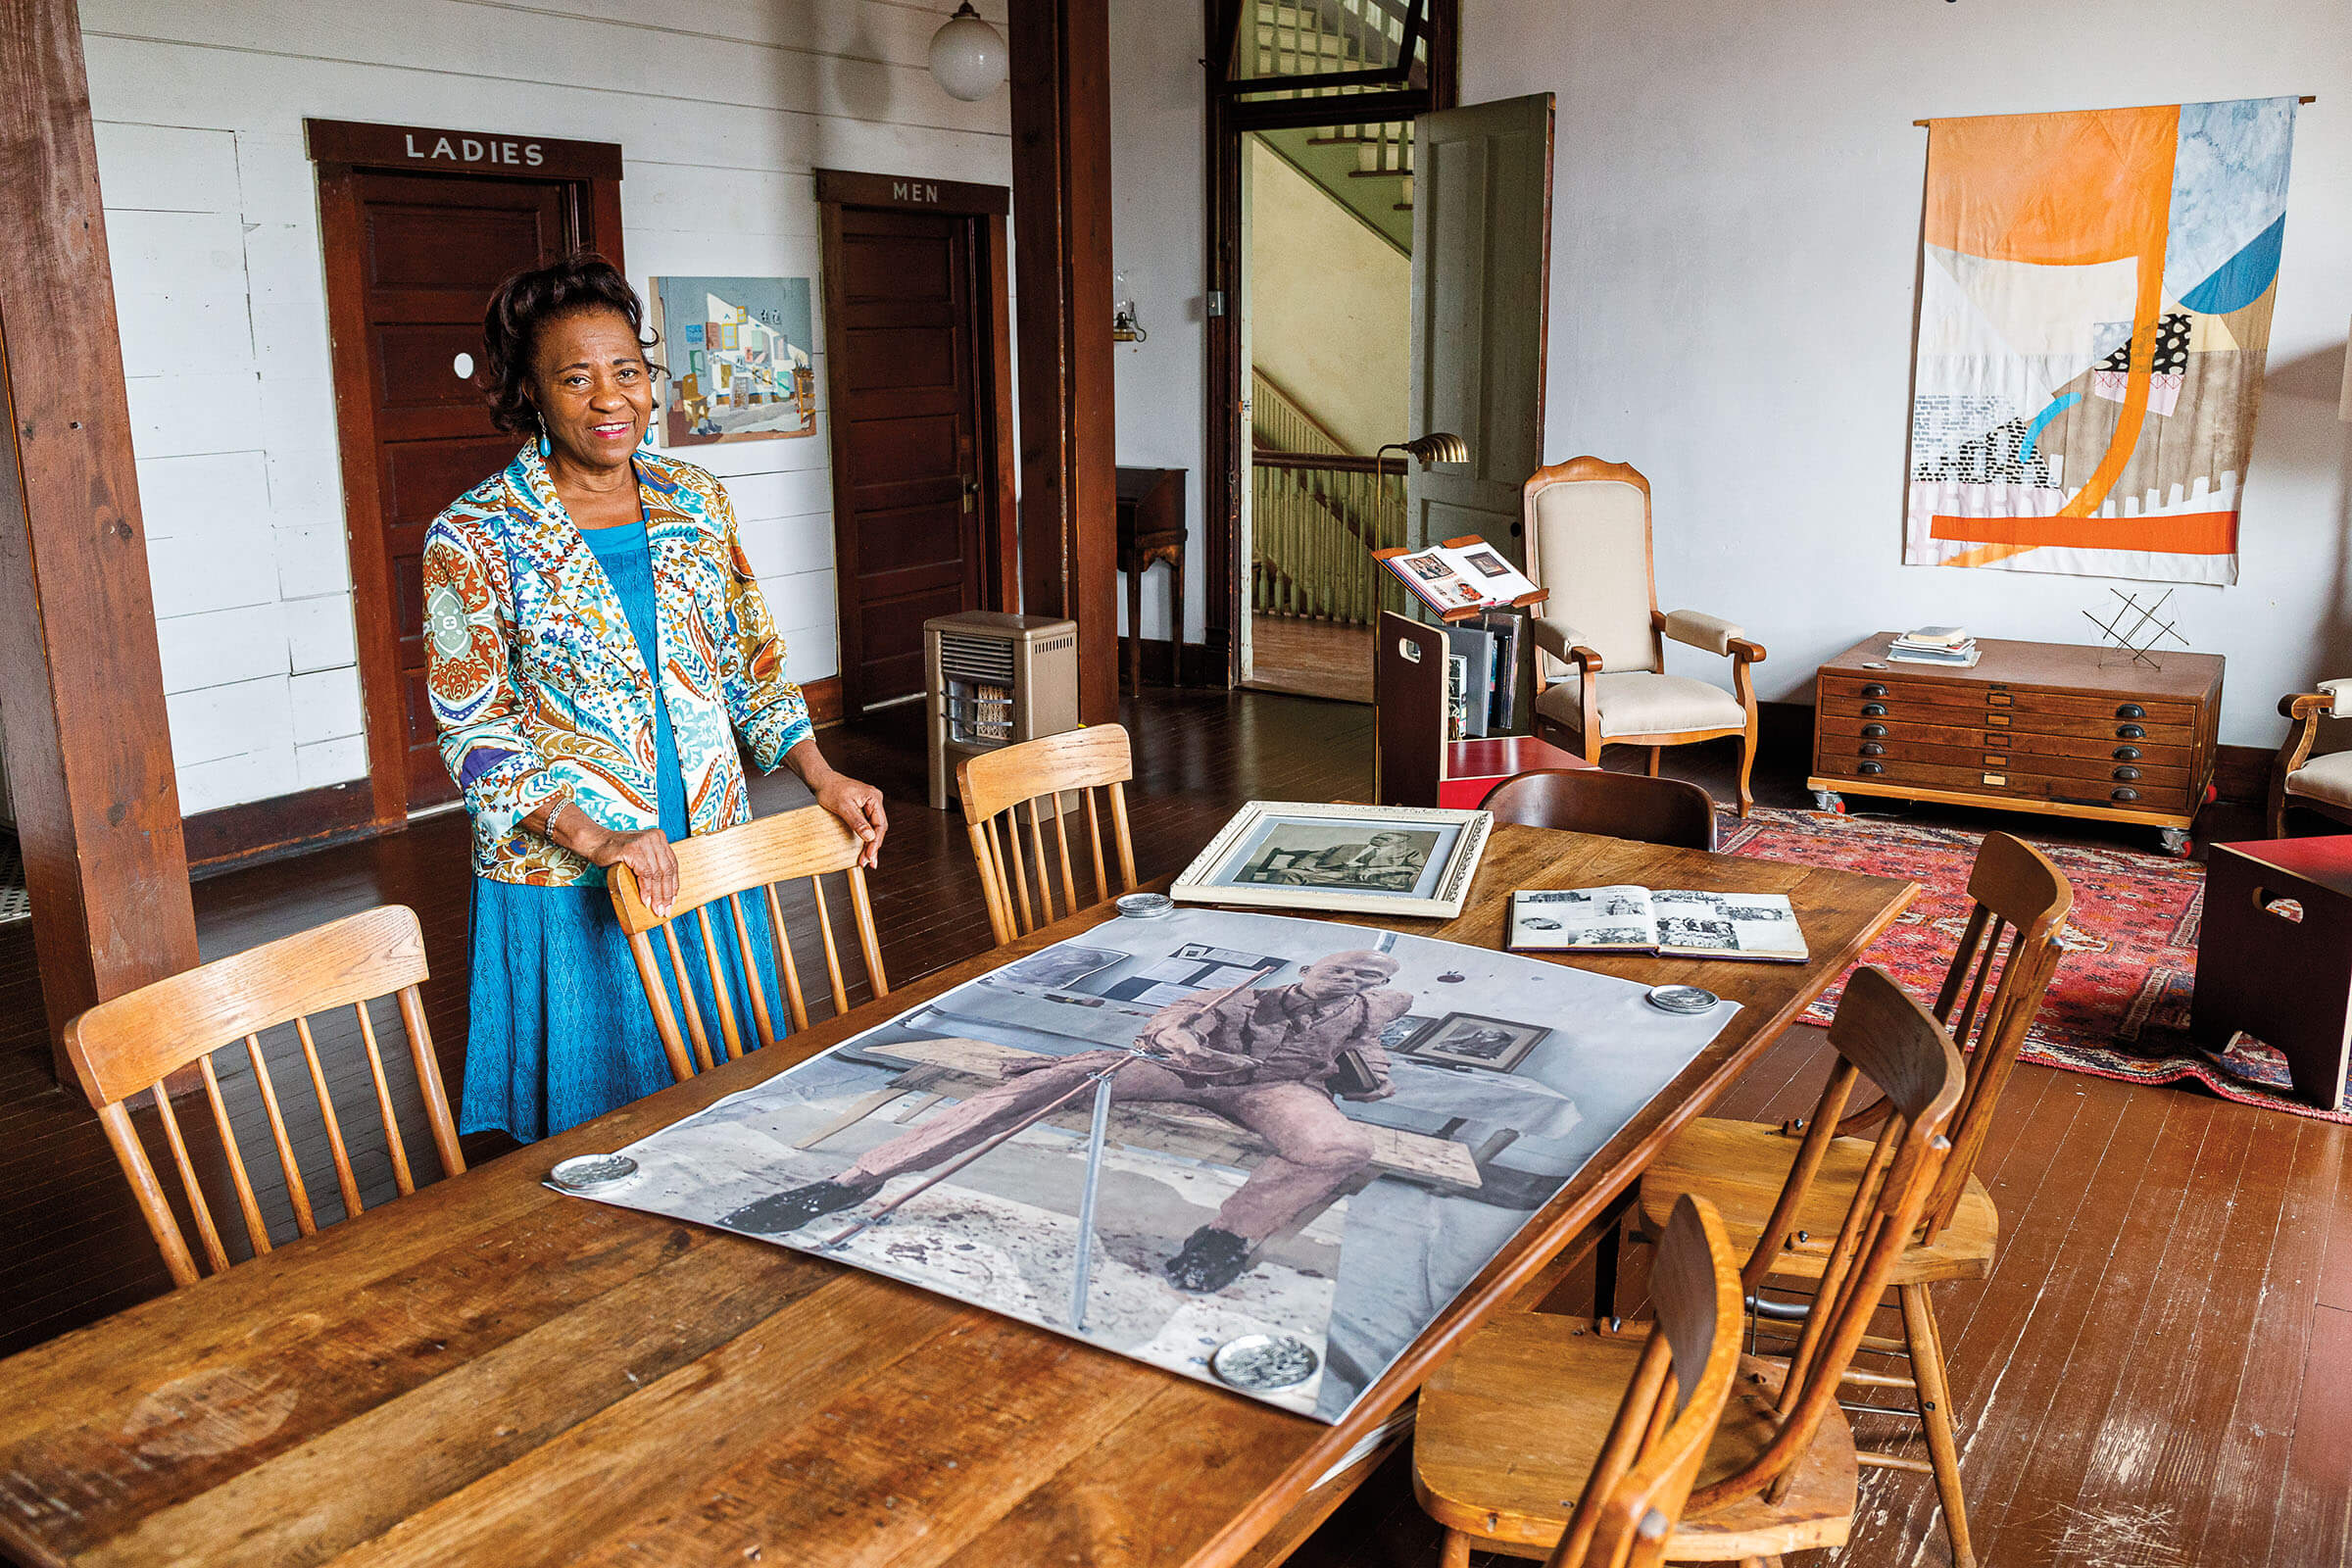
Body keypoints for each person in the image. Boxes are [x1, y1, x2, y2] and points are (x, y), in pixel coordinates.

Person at [425, 253, 888, 1142]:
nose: (611, 399)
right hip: (572, 866)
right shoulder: (474, 533)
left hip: (709, 839)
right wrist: (598, 838)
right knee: (601, 1129)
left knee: (732, 1105)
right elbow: (473, 729)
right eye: (576, 378)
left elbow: (751, 660)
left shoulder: (696, 500)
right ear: (529, 392)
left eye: (628, 371)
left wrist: (822, 776)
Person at [730, 950, 1411, 1294]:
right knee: (1048, 1080)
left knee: (1340, 1146)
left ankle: (1223, 1240)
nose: (1350, 982)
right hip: (1190, 1068)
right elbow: (1173, 1019)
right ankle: (852, 1182)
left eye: (1364, 979)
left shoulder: (1357, 1018)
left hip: (1275, 1091)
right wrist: (1175, 1038)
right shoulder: (1249, 994)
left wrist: (1368, 1077)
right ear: (1314, 970)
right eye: (1342, 971)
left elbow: (1368, 1076)